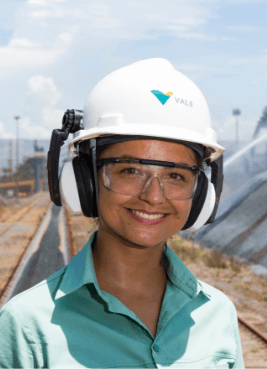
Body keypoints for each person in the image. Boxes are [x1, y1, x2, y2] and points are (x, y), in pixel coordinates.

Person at [0, 58, 244, 368]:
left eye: (176, 176)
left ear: (200, 195)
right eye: (130, 170)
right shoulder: (25, 327)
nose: (153, 196)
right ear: (83, 181)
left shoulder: (218, 315)